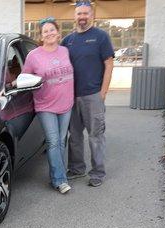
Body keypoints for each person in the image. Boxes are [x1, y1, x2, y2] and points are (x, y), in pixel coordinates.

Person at [62, 1, 115, 187]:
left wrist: (103, 92)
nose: (82, 17)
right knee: (74, 136)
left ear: (92, 15)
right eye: (79, 14)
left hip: (93, 95)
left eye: (85, 13)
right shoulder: (68, 40)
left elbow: (109, 63)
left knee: (96, 136)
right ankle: (77, 169)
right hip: (71, 97)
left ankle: (97, 173)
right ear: (74, 16)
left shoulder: (101, 37)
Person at [19, 17, 75, 194]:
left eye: (52, 30)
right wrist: (13, 83)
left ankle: (55, 177)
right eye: (45, 31)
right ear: (41, 36)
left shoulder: (65, 51)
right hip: (45, 105)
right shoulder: (34, 56)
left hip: (66, 103)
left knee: (61, 141)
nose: (49, 33)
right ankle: (60, 180)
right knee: (53, 141)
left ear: (58, 33)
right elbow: (24, 78)